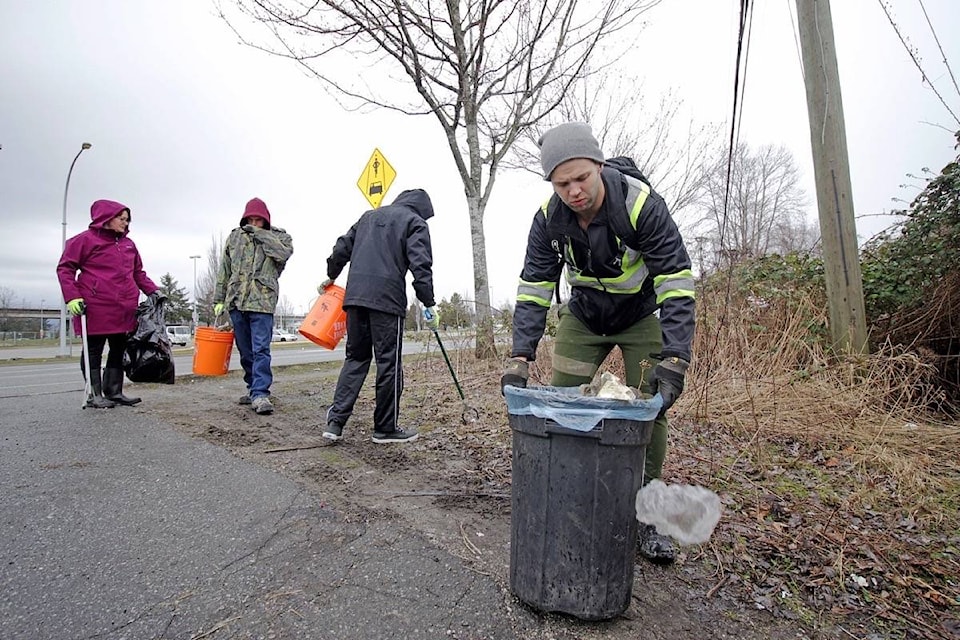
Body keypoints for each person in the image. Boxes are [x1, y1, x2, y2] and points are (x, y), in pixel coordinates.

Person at [501, 122, 696, 564]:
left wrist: (675, 357)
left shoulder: (642, 206)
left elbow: (676, 281)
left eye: (581, 178)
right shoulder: (549, 220)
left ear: (599, 166)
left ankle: (648, 519)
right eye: (561, 183)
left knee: (649, 408)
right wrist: (519, 356)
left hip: (639, 317)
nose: (573, 191)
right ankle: (572, 498)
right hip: (584, 317)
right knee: (563, 405)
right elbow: (534, 287)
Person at [320, 188, 439, 444]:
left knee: (355, 358)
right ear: (423, 210)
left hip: (354, 298)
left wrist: (331, 274)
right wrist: (428, 302)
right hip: (387, 301)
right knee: (388, 363)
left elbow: (342, 247)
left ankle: (335, 422)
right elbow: (421, 265)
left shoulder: (368, 217)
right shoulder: (414, 222)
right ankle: (385, 428)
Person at [57, 199, 161, 409]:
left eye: (127, 219)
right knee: (93, 350)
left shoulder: (128, 244)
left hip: (124, 306)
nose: (125, 223)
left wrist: (154, 291)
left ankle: (114, 391)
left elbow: (138, 273)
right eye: (121, 219)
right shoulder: (83, 241)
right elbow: (65, 268)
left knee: (118, 348)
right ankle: (94, 393)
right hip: (95, 305)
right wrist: (72, 296)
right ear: (106, 218)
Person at [213, 197, 294, 415]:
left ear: (266, 220)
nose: (254, 223)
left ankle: (261, 393)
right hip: (237, 301)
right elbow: (224, 269)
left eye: (259, 220)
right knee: (246, 351)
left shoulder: (280, 237)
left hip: (262, 302)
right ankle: (252, 388)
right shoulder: (235, 237)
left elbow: (283, 254)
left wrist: (259, 234)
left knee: (261, 349)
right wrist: (219, 299)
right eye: (251, 220)